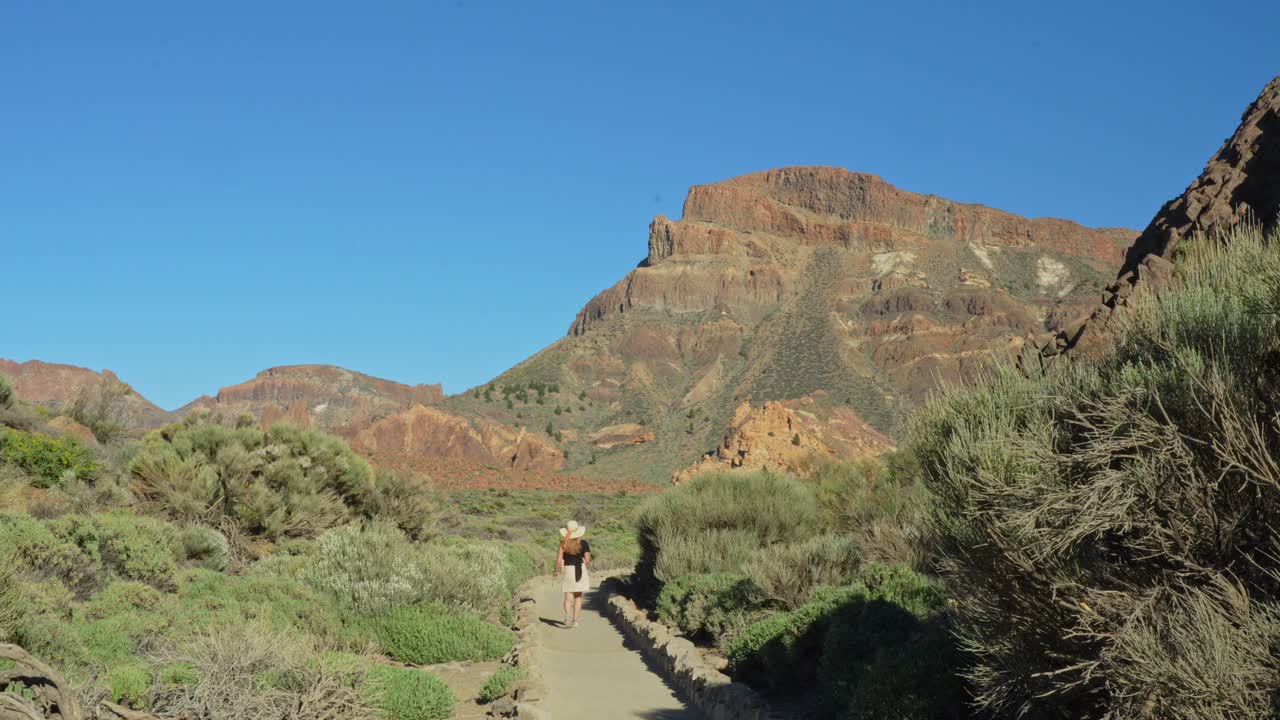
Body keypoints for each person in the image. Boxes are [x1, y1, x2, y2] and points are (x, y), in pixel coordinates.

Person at [553, 520, 591, 628]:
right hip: (580, 569)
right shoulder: (583, 543)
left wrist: (555, 570)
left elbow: (559, 559)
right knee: (578, 597)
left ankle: (566, 616)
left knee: (567, 596)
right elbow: (587, 559)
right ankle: (575, 621)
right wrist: (585, 563)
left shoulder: (563, 543)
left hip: (567, 570)